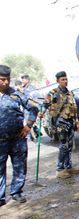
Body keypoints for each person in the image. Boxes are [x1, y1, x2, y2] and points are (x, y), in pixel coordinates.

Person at [0, 65, 38, 206]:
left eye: (7, 79)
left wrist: (28, 126)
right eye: (2, 79)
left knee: (19, 166)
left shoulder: (17, 94)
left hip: (17, 139)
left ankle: (16, 192)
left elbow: (34, 107)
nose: (6, 82)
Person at [42, 71, 79, 179]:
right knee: (63, 146)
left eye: (66, 79)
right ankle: (59, 170)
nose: (65, 81)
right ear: (58, 81)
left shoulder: (70, 93)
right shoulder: (53, 93)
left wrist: (77, 122)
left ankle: (68, 167)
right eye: (62, 80)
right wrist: (41, 113)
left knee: (69, 145)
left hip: (70, 122)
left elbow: (75, 109)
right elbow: (45, 105)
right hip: (60, 122)